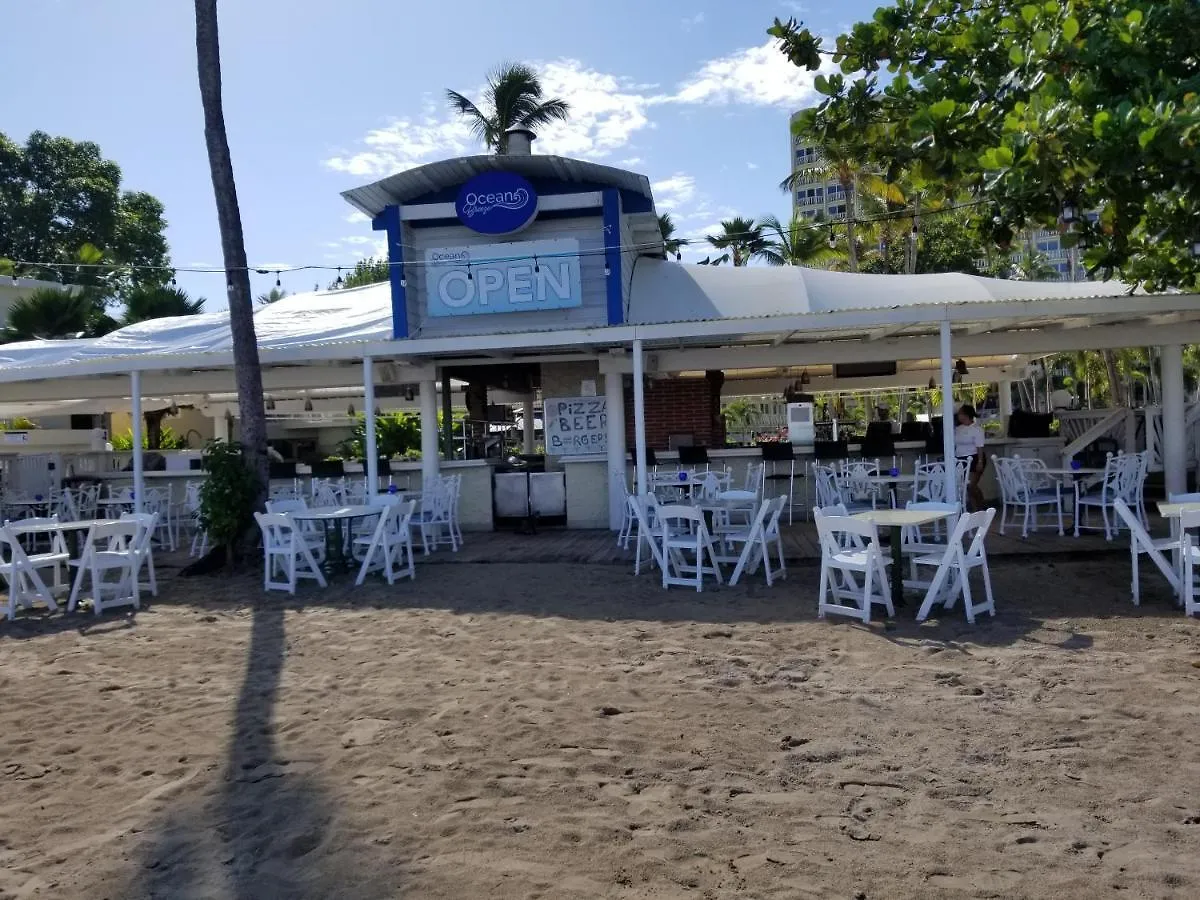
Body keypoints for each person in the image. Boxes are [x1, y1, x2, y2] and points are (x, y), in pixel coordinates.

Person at [955, 404, 987, 512]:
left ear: (965, 415)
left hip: (974, 458)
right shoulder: (958, 429)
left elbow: (979, 446)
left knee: (971, 485)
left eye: (960, 413)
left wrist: (980, 461)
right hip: (960, 459)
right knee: (966, 487)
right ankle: (975, 510)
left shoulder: (976, 429)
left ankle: (982, 507)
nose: (958, 415)